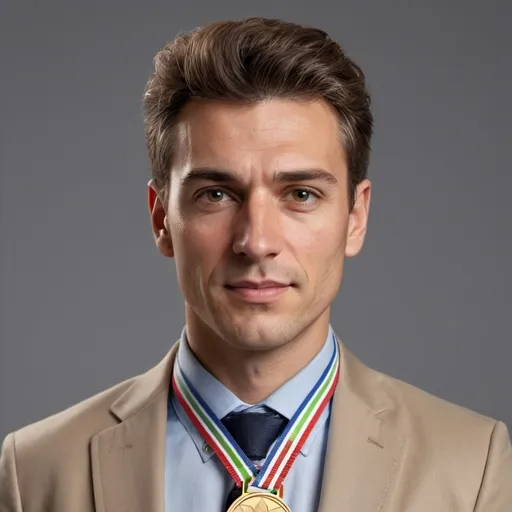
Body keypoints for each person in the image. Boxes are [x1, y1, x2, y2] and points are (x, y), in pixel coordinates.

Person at [1, 16, 511, 512]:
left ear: (355, 217)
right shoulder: (36, 471)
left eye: (301, 194)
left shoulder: (473, 468)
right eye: (217, 193)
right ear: (161, 218)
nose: (256, 241)